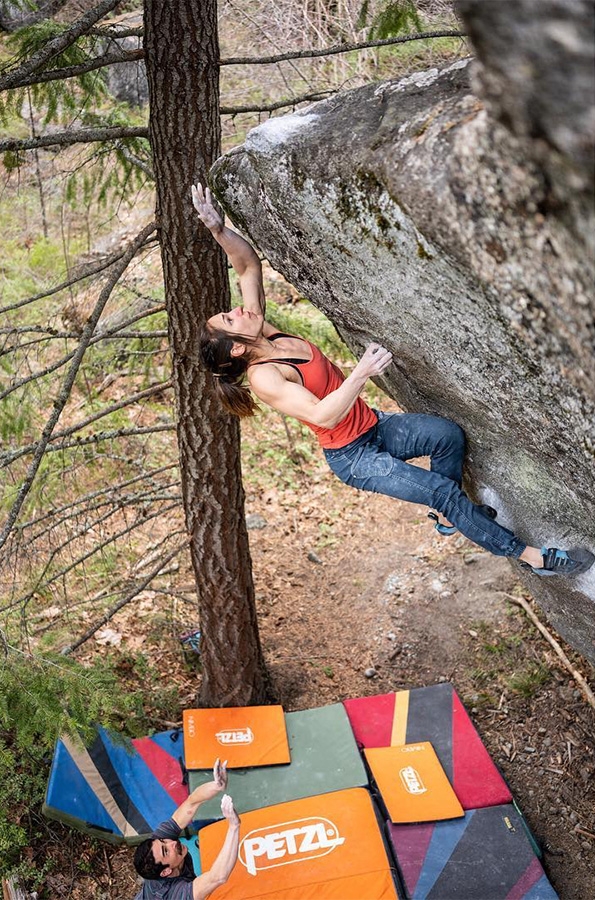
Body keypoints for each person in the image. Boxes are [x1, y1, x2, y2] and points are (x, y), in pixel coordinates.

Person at [192, 183, 594, 578]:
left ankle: (451, 517)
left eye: (230, 311)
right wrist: (361, 373)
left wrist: (217, 229)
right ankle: (533, 558)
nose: (237, 311)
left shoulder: (264, 331)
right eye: (229, 320)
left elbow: (246, 265)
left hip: (373, 426)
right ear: (237, 350)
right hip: (354, 457)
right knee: (444, 492)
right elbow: (323, 415)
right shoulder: (265, 376)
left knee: (447, 436)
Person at [133, 758, 240, 899]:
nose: (171, 843)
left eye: (163, 842)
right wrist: (234, 826)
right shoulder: (174, 894)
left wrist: (216, 786)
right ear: (166, 872)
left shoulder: (157, 845)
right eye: (166, 851)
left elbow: (191, 803)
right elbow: (218, 877)